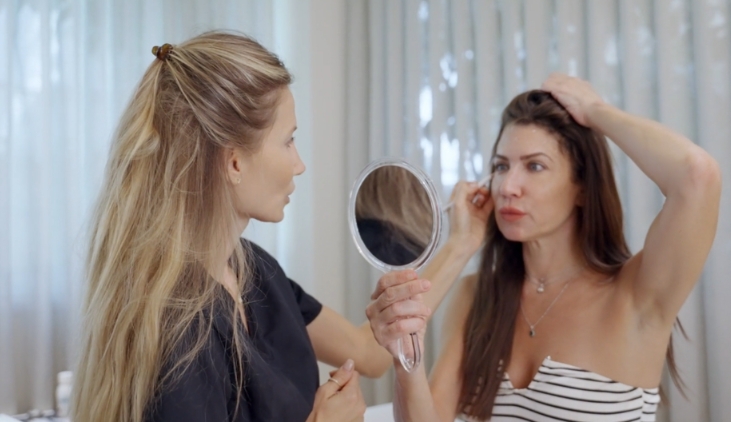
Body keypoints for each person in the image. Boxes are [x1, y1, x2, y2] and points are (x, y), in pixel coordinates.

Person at [70, 31, 486, 422]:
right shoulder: (177, 326)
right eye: (288, 140)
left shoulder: (254, 270)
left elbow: (369, 353)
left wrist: (461, 244)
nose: (299, 164)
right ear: (234, 162)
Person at [366, 74, 722, 421]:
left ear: (583, 187)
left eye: (534, 166)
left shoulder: (636, 294)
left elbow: (697, 175)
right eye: (501, 166)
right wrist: (406, 361)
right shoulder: (476, 295)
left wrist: (595, 111)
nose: (508, 186)